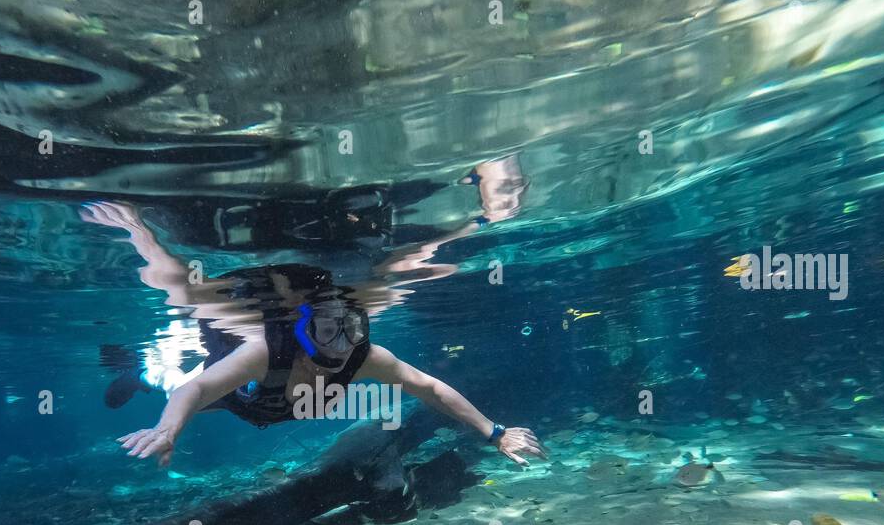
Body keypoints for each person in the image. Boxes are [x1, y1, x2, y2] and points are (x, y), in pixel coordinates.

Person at [79, 156, 546, 471]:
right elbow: (200, 388)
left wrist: (495, 433)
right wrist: (167, 429)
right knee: (178, 346)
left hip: (271, 403)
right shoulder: (266, 351)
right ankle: (135, 251)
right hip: (240, 400)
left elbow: (429, 387)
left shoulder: (363, 355)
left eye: (351, 329)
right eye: (327, 331)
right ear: (302, 330)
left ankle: (487, 214)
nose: (342, 345)